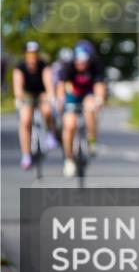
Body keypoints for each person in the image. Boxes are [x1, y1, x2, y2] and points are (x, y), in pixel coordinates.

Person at [59, 46, 106, 176]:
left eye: (84, 62)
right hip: (72, 95)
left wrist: (99, 99)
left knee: (90, 107)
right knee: (69, 125)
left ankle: (92, 141)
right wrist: (60, 101)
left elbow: (99, 85)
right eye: (79, 62)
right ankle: (69, 159)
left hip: (88, 94)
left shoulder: (95, 66)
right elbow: (61, 87)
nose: (81, 65)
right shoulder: (68, 67)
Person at [12, 41, 57, 170]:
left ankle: (49, 133)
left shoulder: (44, 66)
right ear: (25, 55)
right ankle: (26, 155)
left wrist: (51, 96)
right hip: (28, 95)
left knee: (47, 110)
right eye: (29, 54)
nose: (32, 57)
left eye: (34, 54)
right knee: (25, 120)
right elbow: (18, 87)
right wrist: (19, 98)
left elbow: (48, 83)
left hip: (42, 94)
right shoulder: (20, 68)